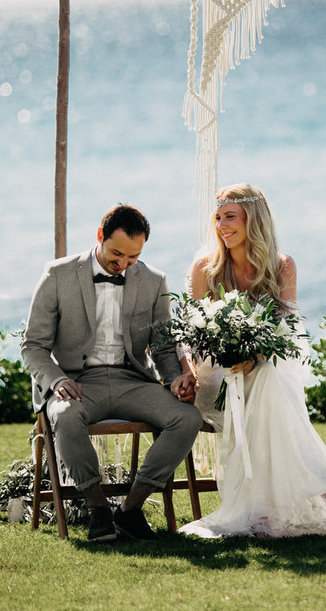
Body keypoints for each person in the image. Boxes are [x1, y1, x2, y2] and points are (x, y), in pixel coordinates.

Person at [178, 183, 326, 539]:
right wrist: (206, 363)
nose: (221, 226)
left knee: (268, 382)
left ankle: (260, 514)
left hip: (264, 365)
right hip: (216, 375)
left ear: (253, 219)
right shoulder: (206, 267)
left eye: (230, 217)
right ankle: (324, 485)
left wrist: (255, 355)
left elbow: (287, 328)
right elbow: (189, 331)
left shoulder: (281, 265)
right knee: (267, 386)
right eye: (217, 218)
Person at [21, 203, 202, 543]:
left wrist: (174, 378)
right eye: (116, 255)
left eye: (132, 258)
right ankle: (98, 508)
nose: (122, 265)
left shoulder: (154, 280)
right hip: (78, 382)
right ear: (100, 236)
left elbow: (163, 346)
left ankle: (130, 510)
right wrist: (57, 380)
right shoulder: (57, 274)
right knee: (65, 415)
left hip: (131, 380)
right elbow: (33, 346)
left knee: (186, 418)